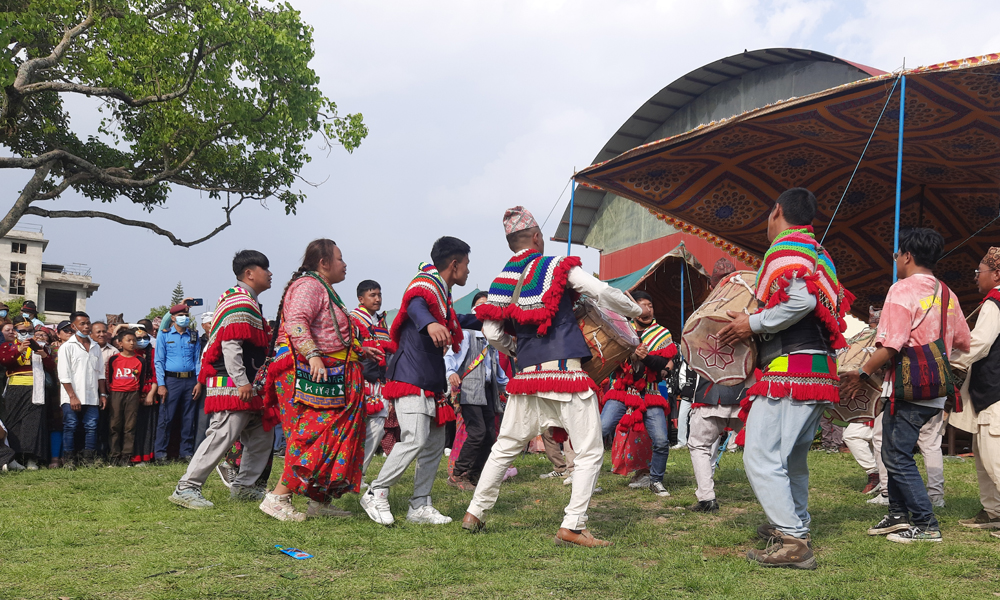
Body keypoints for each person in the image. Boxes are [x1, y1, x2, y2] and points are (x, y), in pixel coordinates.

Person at [461, 206, 643, 547]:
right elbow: (600, 291)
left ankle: (474, 513)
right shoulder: (556, 266)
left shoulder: (502, 279)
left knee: (505, 447)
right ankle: (573, 524)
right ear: (536, 236)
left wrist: (518, 350)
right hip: (564, 373)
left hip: (527, 377)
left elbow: (490, 330)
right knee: (589, 452)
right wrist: (634, 310)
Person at [716, 188, 853, 569]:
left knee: (761, 455)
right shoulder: (817, 252)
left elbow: (801, 302)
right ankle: (797, 526)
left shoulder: (786, 248)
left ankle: (793, 539)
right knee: (790, 457)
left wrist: (752, 323)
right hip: (816, 367)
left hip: (793, 368)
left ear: (776, 211)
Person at [843, 228, 970, 544]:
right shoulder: (947, 294)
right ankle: (898, 516)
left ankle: (926, 525)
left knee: (897, 455)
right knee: (892, 448)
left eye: (897, 254)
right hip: (935, 388)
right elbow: (962, 343)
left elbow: (891, 345)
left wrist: (861, 373)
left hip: (907, 387)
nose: (896, 258)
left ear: (908, 256)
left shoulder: (900, 290)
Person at [361, 236, 481, 527]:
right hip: (410, 376)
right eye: (466, 265)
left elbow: (457, 319)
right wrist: (429, 323)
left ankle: (419, 505)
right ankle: (377, 490)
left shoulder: (443, 294)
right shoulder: (425, 284)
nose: (468, 271)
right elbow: (415, 307)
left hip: (431, 380)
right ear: (454, 264)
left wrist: (494, 318)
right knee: (414, 439)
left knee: (434, 445)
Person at [262, 239, 381, 522]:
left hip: (335, 372)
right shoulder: (310, 285)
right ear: (323, 263)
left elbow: (328, 333)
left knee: (337, 437)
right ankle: (278, 497)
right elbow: (296, 321)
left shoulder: (324, 288)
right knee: (315, 435)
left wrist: (358, 350)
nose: (345, 264)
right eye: (340, 258)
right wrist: (313, 354)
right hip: (311, 371)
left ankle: (320, 499)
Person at [168, 251, 276, 509]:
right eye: (266, 269)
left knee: (262, 434)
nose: (270, 274)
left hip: (250, 382)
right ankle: (187, 487)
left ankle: (245, 487)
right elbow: (230, 344)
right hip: (233, 381)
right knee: (222, 435)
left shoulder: (246, 301)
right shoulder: (238, 301)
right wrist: (241, 382)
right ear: (249, 273)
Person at [600, 290, 676, 497]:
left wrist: (645, 358)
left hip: (650, 392)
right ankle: (587, 476)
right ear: (632, 309)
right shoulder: (621, 329)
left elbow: (663, 362)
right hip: (622, 391)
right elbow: (611, 359)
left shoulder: (662, 333)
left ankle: (656, 480)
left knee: (661, 440)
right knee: (600, 430)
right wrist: (630, 354)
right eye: (641, 305)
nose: (646, 310)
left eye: (650, 305)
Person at [952, 246, 1000, 537]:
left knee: (994, 456)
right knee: (984, 454)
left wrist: (950, 360)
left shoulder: (995, 301)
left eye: (978, 272)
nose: (975, 278)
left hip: (995, 391)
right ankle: (993, 511)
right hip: (990, 390)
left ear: (995, 273)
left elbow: (980, 342)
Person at [445, 291, 509, 491]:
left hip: (487, 391)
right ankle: (458, 474)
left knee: (490, 434)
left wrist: (509, 388)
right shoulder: (466, 334)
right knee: (477, 432)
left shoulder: (492, 341)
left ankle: (474, 475)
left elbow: (497, 370)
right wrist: (451, 373)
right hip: (470, 389)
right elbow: (450, 356)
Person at [349, 279, 396, 481]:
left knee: (376, 428)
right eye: (372, 295)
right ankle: (345, 475)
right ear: (361, 299)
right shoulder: (353, 320)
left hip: (378, 382)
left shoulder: (381, 321)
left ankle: (357, 475)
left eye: (379, 294)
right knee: (354, 429)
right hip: (358, 380)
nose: (377, 299)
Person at [0, 316, 55, 470]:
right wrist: (19, 350)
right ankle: (14, 457)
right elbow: (5, 360)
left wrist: (44, 355)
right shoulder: (7, 346)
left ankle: (32, 458)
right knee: (14, 423)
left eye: (29, 331)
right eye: (22, 331)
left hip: (35, 388)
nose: (25, 333)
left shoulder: (40, 346)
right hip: (14, 389)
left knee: (33, 423)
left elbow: (51, 367)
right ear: (16, 332)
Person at [57, 312, 108, 469]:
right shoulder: (67, 347)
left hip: (92, 395)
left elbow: (100, 373)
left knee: (91, 426)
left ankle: (88, 459)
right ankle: (69, 460)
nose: (86, 327)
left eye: (88, 323)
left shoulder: (95, 347)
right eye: (82, 324)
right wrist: (72, 396)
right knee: (70, 426)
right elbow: (64, 375)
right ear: (74, 326)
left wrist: (103, 394)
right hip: (72, 395)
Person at [154, 303, 203, 463]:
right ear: (173, 318)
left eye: (186, 315)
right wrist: (161, 384)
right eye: (181, 315)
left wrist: (198, 382)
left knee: (188, 418)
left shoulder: (193, 335)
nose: (184, 318)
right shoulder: (164, 335)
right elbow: (159, 361)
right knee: (166, 418)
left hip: (190, 380)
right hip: (171, 380)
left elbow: (197, 361)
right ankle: (161, 453)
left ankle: (185, 452)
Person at [104, 328, 148, 466]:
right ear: (120, 343)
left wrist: (139, 394)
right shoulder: (114, 359)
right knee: (114, 425)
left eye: (134, 340)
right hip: (116, 393)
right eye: (128, 340)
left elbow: (142, 379)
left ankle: (126, 456)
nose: (132, 343)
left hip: (133, 394)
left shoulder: (140, 360)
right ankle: (114, 455)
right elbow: (108, 377)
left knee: (130, 426)